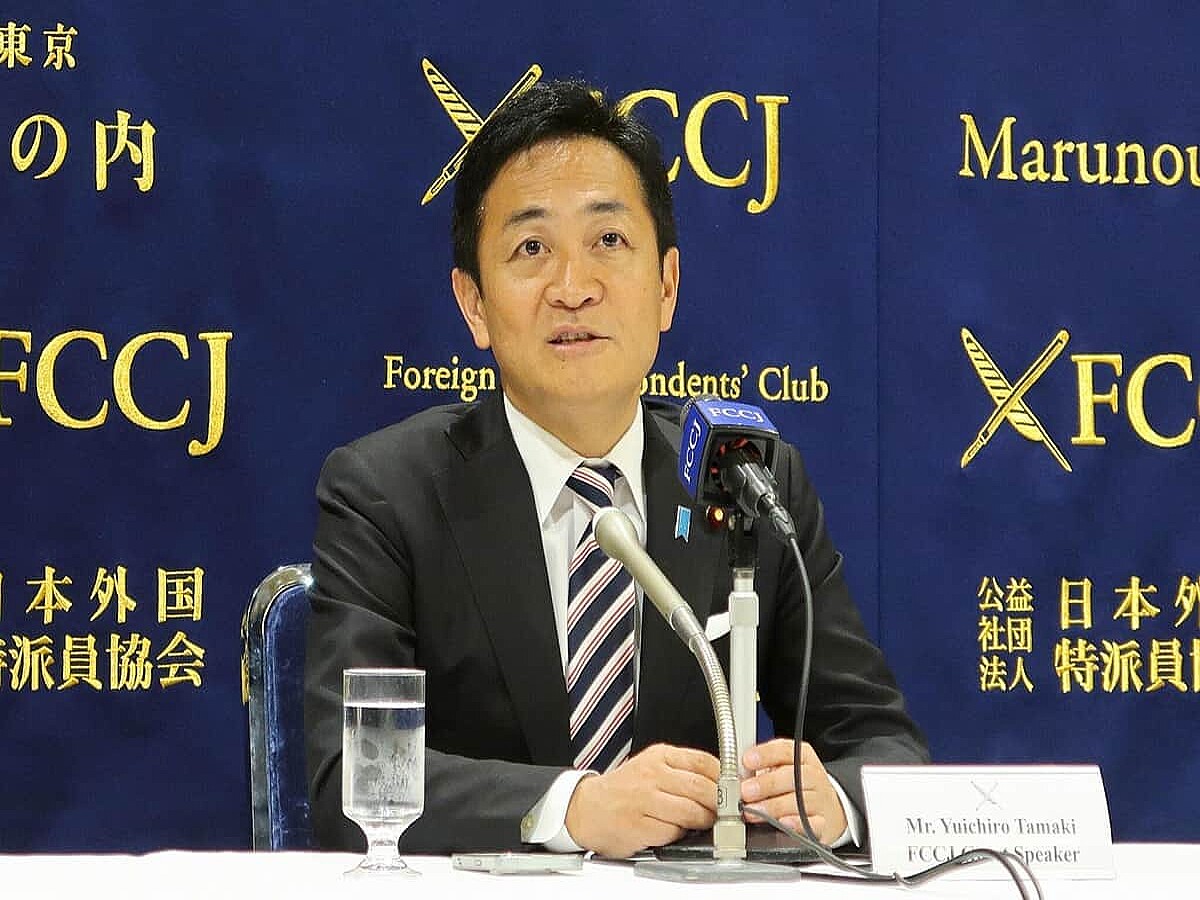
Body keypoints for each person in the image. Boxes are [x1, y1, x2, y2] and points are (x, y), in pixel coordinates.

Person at [304, 79, 928, 858]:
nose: (574, 289)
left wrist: (833, 800)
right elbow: (351, 777)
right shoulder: (388, 491)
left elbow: (883, 749)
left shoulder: (747, 480)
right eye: (532, 249)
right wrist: (574, 807)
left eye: (608, 241)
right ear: (474, 304)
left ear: (666, 286)